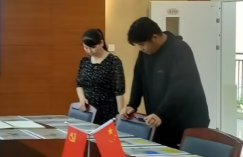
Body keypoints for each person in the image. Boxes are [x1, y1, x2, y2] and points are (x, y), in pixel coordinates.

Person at [120, 17, 210, 148]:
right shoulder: (145, 53)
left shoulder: (180, 49)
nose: (140, 48)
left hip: (186, 119)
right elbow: (139, 77)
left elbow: (180, 87)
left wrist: (161, 113)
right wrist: (132, 104)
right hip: (161, 117)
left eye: (142, 44)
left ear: (155, 37)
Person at [76, 29, 125, 124]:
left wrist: (119, 114)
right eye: (86, 48)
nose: (89, 51)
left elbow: (119, 91)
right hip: (88, 111)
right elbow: (79, 84)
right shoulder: (84, 61)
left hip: (107, 111)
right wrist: (82, 99)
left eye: (93, 47)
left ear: (102, 43)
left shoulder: (113, 61)